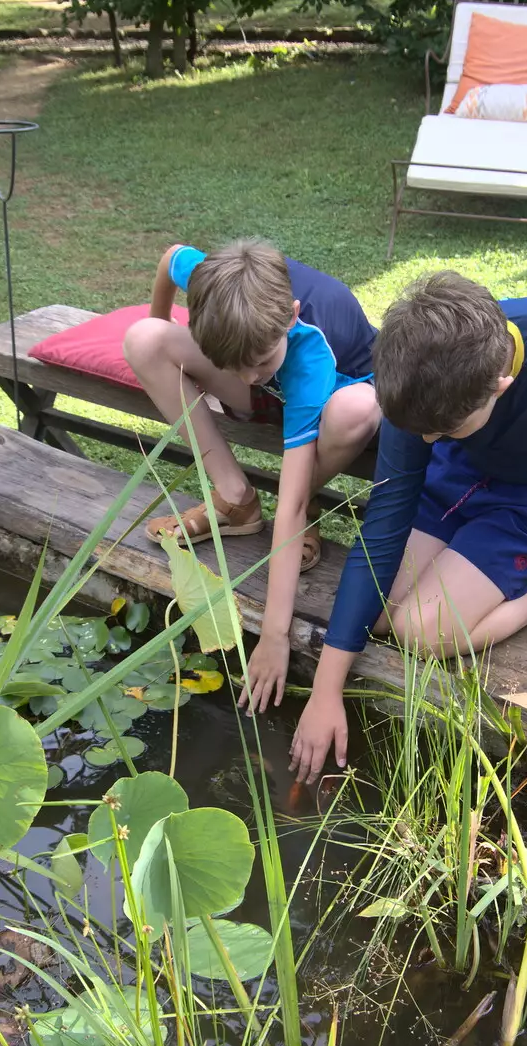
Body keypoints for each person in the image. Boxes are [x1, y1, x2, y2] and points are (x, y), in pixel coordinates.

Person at [289, 272, 527, 784]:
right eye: (423, 433)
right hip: (466, 469)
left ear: (500, 386)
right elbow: (387, 517)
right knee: (374, 616)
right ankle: (473, 553)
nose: (427, 440)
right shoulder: (420, 376)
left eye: (441, 430)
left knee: (420, 631)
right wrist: (326, 691)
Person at [123, 239, 382, 710]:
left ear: (292, 314)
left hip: (335, 402)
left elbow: (292, 508)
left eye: (256, 363)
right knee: (143, 337)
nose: (245, 377)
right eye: (232, 366)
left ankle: (295, 479)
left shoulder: (308, 355)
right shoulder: (217, 286)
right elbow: (169, 257)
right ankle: (234, 494)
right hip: (278, 386)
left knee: (353, 411)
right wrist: (162, 324)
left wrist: (275, 636)